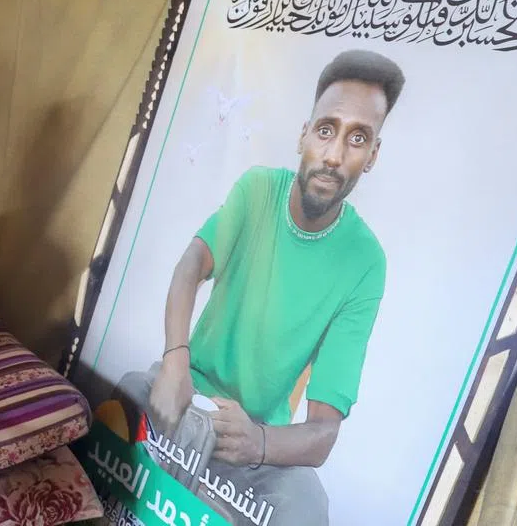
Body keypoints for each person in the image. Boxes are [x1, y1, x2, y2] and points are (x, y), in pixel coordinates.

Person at [114, 49, 405, 526]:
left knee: (307, 507)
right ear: (303, 135)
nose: (334, 156)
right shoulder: (256, 190)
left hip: (251, 444)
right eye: (326, 130)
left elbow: (322, 433)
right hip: (188, 399)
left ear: (373, 155)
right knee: (128, 393)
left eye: (358, 139)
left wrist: (260, 442)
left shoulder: (365, 263)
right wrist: (174, 361)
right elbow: (191, 264)